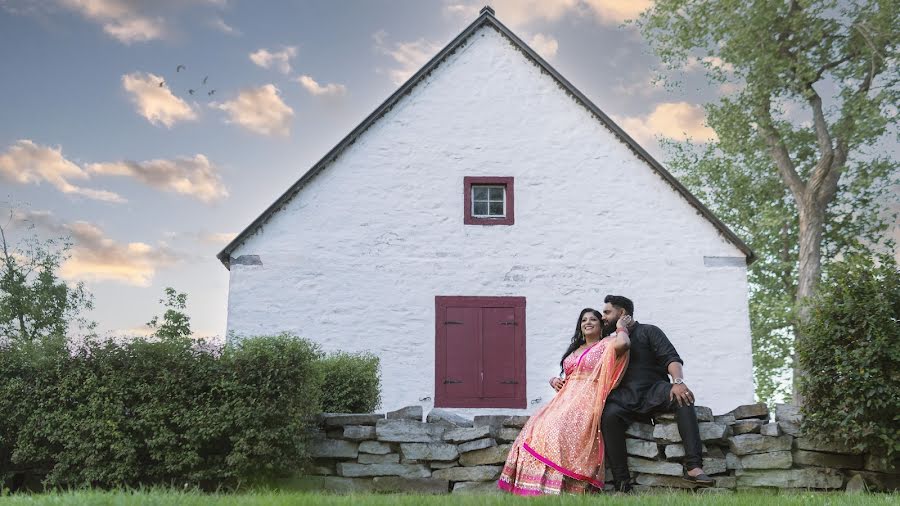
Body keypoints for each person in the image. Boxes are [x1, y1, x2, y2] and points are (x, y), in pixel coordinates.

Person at [497, 308, 631, 495]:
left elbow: (624, 343)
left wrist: (620, 327)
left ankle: (564, 486)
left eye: (593, 319)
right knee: (537, 429)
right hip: (564, 399)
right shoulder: (575, 349)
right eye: (584, 320)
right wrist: (554, 380)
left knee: (558, 429)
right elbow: (569, 375)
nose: (588, 322)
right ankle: (534, 485)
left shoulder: (607, 344)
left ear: (601, 325)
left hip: (587, 398)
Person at [599, 295, 715, 492]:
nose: (603, 317)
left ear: (622, 313)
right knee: (608, 416)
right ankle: (622, 483)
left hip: (654, 390)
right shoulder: (611, 341)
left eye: (607, 312)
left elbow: (671, 358)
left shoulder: (649, 331)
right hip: (624, 397)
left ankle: (694, 467)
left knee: (683, 398)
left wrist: (678, 382)